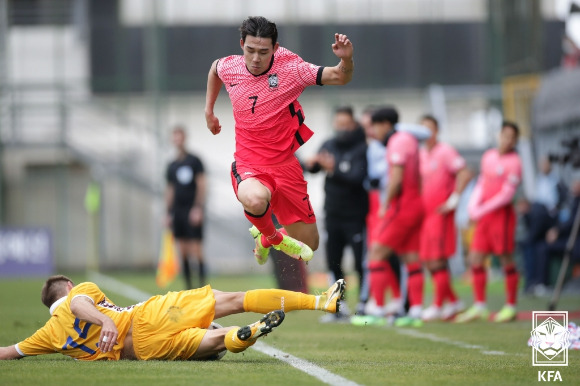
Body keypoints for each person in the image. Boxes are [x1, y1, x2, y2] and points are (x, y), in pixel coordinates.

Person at [204, 16, 354, 266]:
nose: (255, 58)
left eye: (263, 52)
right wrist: (209, 111)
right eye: (250, 50)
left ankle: (264, 239)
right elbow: (214, 69)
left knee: (311, 244)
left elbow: (340, 77)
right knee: (254, 199)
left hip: (286, 167)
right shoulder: (230, 66)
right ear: (242, 44)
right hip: (248, 165)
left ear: (274, 48)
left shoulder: (292, 69)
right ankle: (272, 237)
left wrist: (346, 59)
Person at [0, 275, 346, 361]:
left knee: (209, 342)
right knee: (232, 300)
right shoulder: (79, 293)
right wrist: (105, 321)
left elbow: (9, 352)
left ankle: (241, 336)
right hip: (147, 317)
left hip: (143, 351)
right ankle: (321, 302)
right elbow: (77, 307)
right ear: (69, 286)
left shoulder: (44, 336)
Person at [359, 107, 426, 327]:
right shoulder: (410, 139)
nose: (374, 132)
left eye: (375, 126)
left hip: (402, 206)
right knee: (410, 257)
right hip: (416, 204)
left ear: (385, 124)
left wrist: (385, 204)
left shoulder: (397, 141)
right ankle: (416, 311)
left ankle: (377, 308)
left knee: (376, 253)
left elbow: (396, 178)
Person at [305, 106, 369, 321]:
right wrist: (312, 164)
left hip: (356, 215)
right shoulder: (329, 144)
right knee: (334, 261)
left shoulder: (361, 148)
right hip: (332, 213)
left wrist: (333, 169)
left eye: (345, 124)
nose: (341, 129)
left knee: (361, 262)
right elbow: (314, 168)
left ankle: (364, 303)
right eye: (338, 124)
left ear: (353, 124)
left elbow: (356, 178)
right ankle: (338, 305)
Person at [456, 121, 522, 323]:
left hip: (501, 216)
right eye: (505, 135)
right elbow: (482, 183)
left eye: (511, 137)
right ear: (499, 135)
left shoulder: (515, 162)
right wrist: (472, 207)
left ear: (515, 140)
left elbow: (506, 195)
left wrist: (482, 209)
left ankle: (510, 306)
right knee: (475, 258)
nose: (507, 140)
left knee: (505, 258)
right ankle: (479, 306)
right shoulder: (489, 156)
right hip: (485, 217)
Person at [418, 115, 472, 321]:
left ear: (437, 131)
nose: (426, 133)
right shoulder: (421, 153)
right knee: (429, 261)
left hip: (440, 214)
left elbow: (465, 173)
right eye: (422, 129)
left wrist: (454, 199)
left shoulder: (445, 151)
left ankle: (438, 305)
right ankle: (454, 301)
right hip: (425, 215)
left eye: (429, 129)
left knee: (437, 259)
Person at [165, 126, 207, 289]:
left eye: (179, 136)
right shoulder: (172, 165)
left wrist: (198, 208)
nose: (177, 140)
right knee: (182, 251)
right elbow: (170, 189)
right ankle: (189, 289)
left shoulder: (194, 161)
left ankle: (203, 287)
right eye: (174, 137)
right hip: (178, 212)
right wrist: (168, 213)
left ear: (184, 138)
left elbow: (202, 184)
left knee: (196, 250)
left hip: (192, 210)